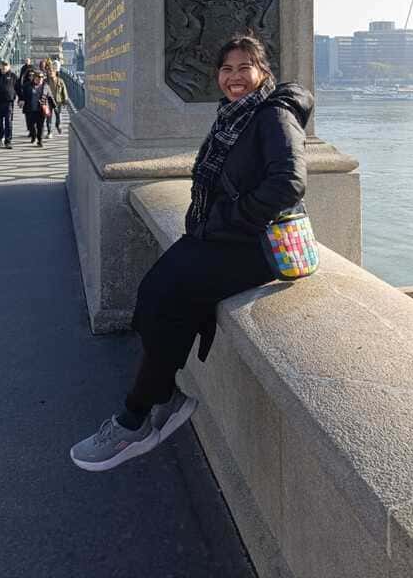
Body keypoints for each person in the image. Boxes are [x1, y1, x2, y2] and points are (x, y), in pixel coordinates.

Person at [70, 33, 313, 472]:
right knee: (151, 295)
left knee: (168, 298)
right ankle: (164, 395)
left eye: (244, 68)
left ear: (263, 73)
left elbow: (289, 183)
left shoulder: (273, 115)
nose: (234, 77)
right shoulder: (233, 117)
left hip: (256, 247)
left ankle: (135, 420)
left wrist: (230, 219)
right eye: (226, 69)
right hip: (221, 236)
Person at [25, 71, 56, 147]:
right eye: (39, 77)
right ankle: (33, 135)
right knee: (31, 125)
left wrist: (55, 107)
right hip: (30, 109)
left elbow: (50, 96)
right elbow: (23, 96)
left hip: (41, 109)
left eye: (42, 77)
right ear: (34, 77)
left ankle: (40, 140)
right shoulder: (28, 86)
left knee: (40, 126)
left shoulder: (46, 86)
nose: (40, 79)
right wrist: (21, 100)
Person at [44, 66, 67, 137]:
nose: (50, 73)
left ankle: (57, 125)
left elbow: (64, 91)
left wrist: (65, 100)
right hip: (48, 102)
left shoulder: (60, 81)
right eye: (49, 71)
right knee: (48, 117)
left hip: (58, 101)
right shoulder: (45, 81)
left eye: (52, 71)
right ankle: (49, 132)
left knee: (58, 115)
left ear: (55, 72)